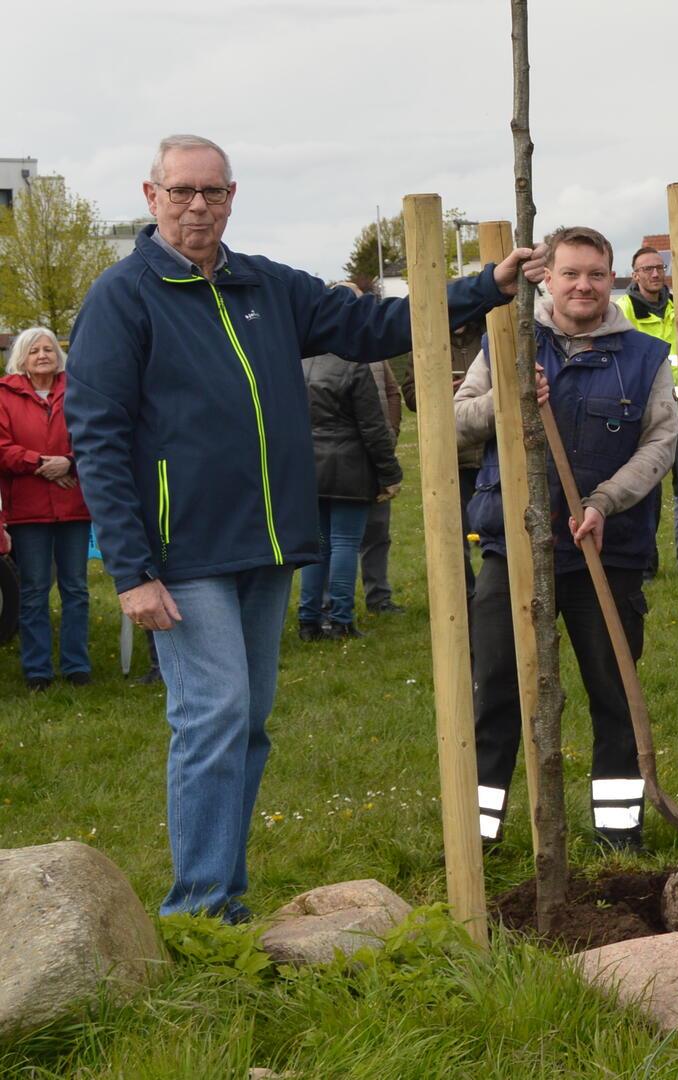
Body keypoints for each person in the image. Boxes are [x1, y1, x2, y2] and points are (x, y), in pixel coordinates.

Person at [64, 134, 543, 921]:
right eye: (182, 191)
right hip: (181, 554)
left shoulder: (266, 287)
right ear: (150, 198)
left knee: (246, 725)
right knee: (213, 714)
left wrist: (481, 287)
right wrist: (129, 568)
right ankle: (202, 910)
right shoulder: (123, 299)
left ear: (232, 196)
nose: (198, 207)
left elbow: (372, 325)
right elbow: (98, 435)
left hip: (265, 545)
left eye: (212, 193)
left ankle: (223, 891)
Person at [457, 226, 674, 853]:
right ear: (546, 278)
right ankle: (479, 839)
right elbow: (457, 420)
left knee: (614, 694)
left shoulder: (644, 357)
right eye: (571, 273)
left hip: (608, 550)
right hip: (513, 551)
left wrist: (606, 501)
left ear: (615, 280)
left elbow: (661, 444)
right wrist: (509, 399)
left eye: (597, 275)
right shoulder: (509, 341)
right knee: (494, 692)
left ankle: (618, 836)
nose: (584, 286)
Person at [297, 282, 403, 641]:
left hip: (308, 467)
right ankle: (341, 618)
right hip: (348, 466)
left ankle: (309, 620)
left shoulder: (298, 359)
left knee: (318, 546)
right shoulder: (354, 364)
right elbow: (373, 426)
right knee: (343, 543)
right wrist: (389, 473)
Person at [0, 328, 91, 690]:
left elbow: (92, 437)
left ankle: (76, 667)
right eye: (34, 350)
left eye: (48, 349)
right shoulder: (4, 395)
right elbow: (3, 448)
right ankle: (37, 671)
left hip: (74, 506)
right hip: (29, 509)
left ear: (59, 355)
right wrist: (43, 463)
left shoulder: (79, 390)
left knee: (77, 589)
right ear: (21, 358)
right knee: (34, 590)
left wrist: (69, 462)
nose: (42, 354)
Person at [613, 246, 678, 570]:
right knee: (646, 485)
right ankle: (645, 562)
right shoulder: (623, 309)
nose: (655, 274)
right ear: (635, 274)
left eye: (659, 267)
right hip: (643, 410)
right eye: (647, 269)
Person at [358, 353, 408, 613]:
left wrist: (392, 432)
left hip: (378, 452)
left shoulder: (375, 355)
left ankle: (378, 597)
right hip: (343, 453)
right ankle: (329, 605)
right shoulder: (321, 351)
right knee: (336, 538)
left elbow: (392, 392)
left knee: (377, 531)